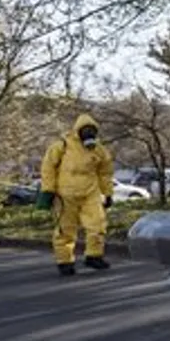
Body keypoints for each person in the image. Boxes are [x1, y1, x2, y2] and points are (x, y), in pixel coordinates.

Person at [40, 114, 114, 276]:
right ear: (77, 131)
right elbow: (48, 168)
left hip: (90, 192)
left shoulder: (99, 150)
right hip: (65, 194)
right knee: (65, 230)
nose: (89, 135)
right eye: (85, 131)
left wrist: (107, 193)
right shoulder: (62, 146)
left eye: (92, 132)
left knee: (98, 224)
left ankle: (94, 256)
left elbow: (105, 173)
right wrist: (48, 190)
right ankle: (65, 261)